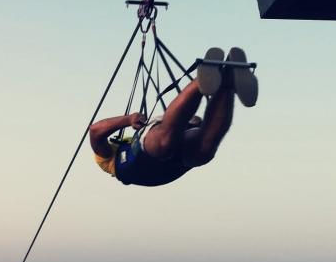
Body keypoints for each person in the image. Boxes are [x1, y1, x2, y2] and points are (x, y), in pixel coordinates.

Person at [90, 47, 257, 187]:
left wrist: (129, 119)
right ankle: (228, 80)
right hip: (174, 163)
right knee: (203, 150)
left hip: (154, 145)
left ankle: (201, 82)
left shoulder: (107, 158)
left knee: (163, 143)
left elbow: (95, 130)